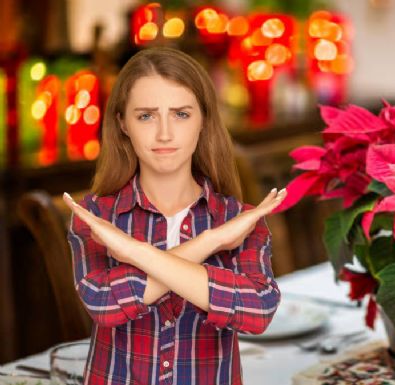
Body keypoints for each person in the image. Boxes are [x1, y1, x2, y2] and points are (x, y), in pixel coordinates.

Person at [63, 47, 286, 385]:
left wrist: (135, 252)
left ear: (203, 121)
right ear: (122, 123)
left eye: (181, 114)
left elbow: (257, 312)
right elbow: (105, 304)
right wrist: (211, 242)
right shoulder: (96, 215)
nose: (164, 133)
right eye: (146, 116)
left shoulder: (238, 218)